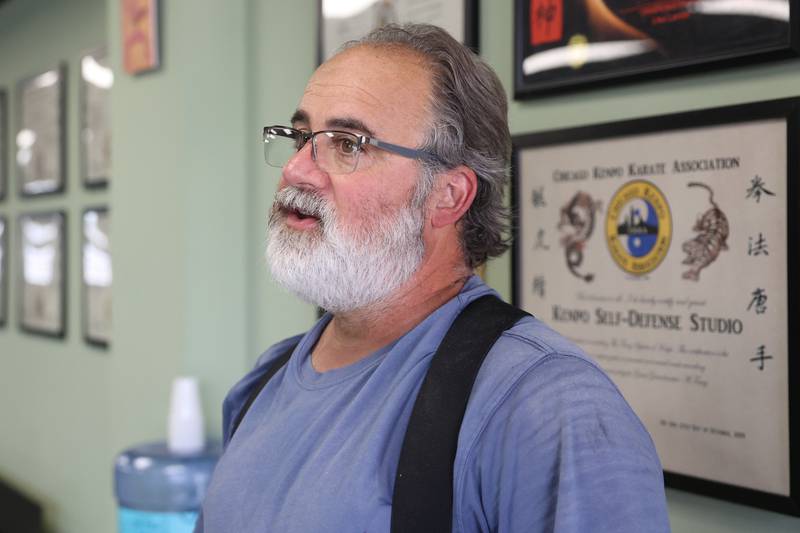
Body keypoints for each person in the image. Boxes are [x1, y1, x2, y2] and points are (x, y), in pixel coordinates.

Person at [197, 23, 670, 533]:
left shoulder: (545, 406)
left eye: (346, 143)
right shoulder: (262, 384)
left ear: (448, 196)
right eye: (300, 136)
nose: (295, 170)